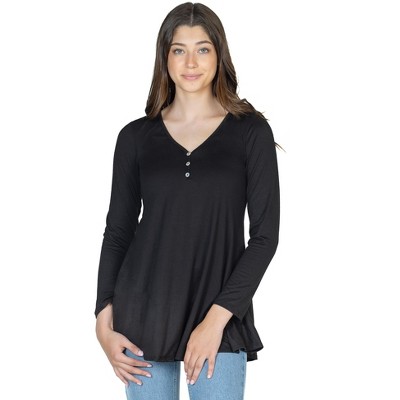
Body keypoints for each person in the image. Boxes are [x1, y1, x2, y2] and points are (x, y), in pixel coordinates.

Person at [95, 2, 280, 399]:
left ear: (219, 54)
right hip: (143, 313)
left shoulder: (250, 132)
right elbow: (118, 232)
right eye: (179, 49)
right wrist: (102, 316)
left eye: (203, 49)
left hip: (221, 316)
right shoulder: (135, 137)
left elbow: (265, 237)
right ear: (165, 57)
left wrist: (216, 320)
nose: (191, 62)